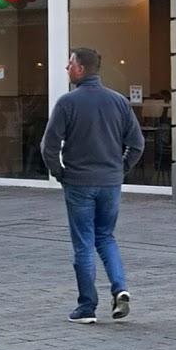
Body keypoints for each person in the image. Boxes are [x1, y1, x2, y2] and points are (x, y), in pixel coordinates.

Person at [41, 48, 144, 324]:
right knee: (106, 237)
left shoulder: (67, 103)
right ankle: (120, 287)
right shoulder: (119, 102)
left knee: (84, 243)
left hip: (78, 182)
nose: (67, 68)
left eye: (70, 64)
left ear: (82, 69)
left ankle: (87, 307)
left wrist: (59, 172)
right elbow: (137, 143)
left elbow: (49, 145)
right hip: (110, 182)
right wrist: (120, 169)